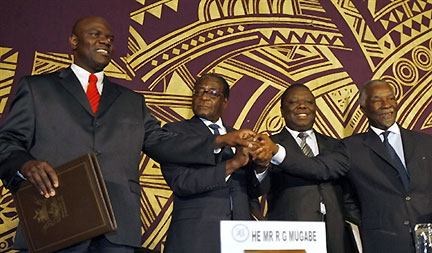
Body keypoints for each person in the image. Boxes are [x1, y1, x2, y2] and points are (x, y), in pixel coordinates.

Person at [0, 16, 255, 252]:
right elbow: (7, 142)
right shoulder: (37, 88)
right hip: (57, 219)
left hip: (116, 228)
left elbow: (162, 143)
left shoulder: (131, 101)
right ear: (74, 41)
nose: (105, 41)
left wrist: (219, 140)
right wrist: (25, 164)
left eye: (110, 38)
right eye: (95, 34)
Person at [259, 80, 432, 253]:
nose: (386, 105)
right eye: (377, 100)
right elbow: (319, 168)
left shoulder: (425, 142)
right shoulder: (351, 148)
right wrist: (275, 151)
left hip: (426, 236)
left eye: (391, 98)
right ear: (363, 108)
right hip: (384, 242)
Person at [161, 73, 271, 253]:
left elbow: (253, 192)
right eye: (199, 92)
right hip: (196, 238)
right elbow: (182, 183)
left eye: (212, 93)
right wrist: (233, 164)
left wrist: (262, 166)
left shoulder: (240, 136)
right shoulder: (174, 133)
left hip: (241, 239)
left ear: (225, 101)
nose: (204, 97)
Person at [257, 83, 357, 253]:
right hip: (291, 236)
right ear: (281, 111)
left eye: (308, 102)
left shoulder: (336, 145)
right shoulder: (269, 146)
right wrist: (261, 167)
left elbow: (347, 193)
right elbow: (259, 188)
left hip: (336, 235)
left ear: (315, 109)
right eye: (293, 102)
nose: (302, 106)